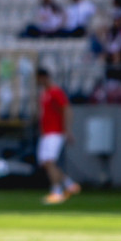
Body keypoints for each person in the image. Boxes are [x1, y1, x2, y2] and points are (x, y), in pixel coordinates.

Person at [36, 68, 81, 204]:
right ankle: (69, 184)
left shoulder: (56, 92)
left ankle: (57, 191)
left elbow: (66, 109)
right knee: (45, 162)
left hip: (55, 132)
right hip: (47, 133)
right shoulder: (45, 93)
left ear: (43, 77)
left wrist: (67, 129)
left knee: (49, 161)